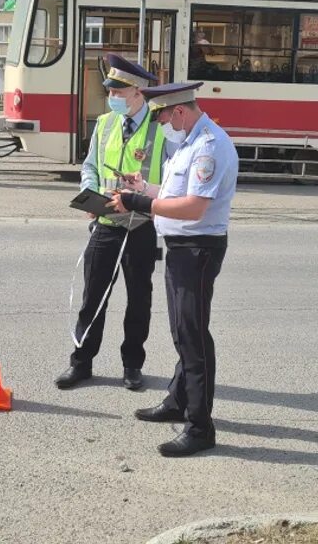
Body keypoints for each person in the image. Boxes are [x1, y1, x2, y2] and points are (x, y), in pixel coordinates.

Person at [109, 81, 239, 457]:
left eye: (162, 117)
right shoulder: (189, 141)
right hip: (182, 249)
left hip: (197, 250)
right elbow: (175, 195)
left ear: (179, 111)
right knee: (183, 332)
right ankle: (177, 401)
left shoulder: (209, 147)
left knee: (193, 338)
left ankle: (200, 426)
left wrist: (137, 202)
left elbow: (194, 208)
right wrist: (146, 188)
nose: (161, 123)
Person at [54, 54, 168, 392]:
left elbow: (175, 177)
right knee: (93, 298)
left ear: (138, 93)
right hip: (105, 222)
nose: (112, 97)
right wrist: (89, 196)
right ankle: (81, 363)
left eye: (118, 91)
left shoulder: (161, 128)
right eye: (111, 91)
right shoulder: (104, 124)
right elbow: (89, 166)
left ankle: (132, 365)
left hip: (141, 226)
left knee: (138, 300)